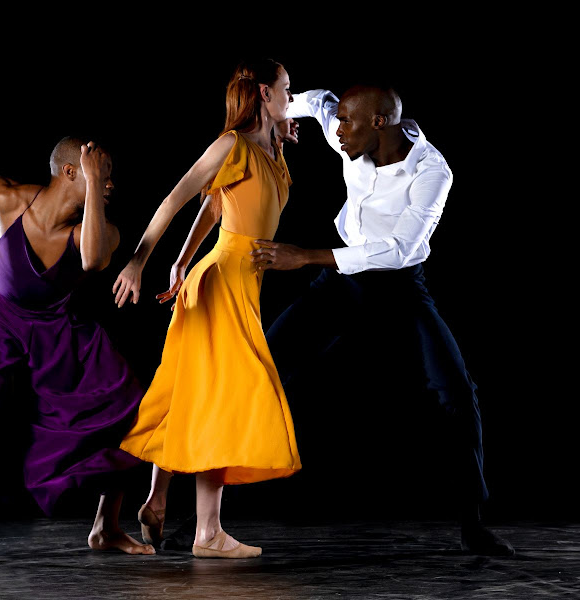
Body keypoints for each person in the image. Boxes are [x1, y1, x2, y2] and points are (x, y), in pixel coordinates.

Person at [250, 85, 514, 556]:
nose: (338, 131)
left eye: (348, 124)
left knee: (456, 391)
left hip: (399, 286)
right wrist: (272, 116)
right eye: (341, 122)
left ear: (379, 123)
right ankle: (202, 511)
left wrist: (306, 256)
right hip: (342, 284)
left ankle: (473, 521)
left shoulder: (432, 170)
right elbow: (317, 102)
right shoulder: (349, 132)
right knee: (260, 368)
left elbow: (401, 250)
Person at [0, 137, 155, 565]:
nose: (109, 185)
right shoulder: (10, 200)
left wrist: (95, 176)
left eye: (109, 177)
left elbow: (94, 261)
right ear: (69, 172)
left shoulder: (98, 231)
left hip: (57, 331)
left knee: (126, 401)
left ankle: (107, 526)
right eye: (101, 174)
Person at [112, 58, 302, 558]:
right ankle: (207, 533)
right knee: (226, 397)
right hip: (223, 283)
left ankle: (155, 501)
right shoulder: (232, 144)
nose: (292, 95)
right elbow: (177, 198)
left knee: (194, 392)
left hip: (236, 281)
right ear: (265, 92)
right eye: (287, 88)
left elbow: (217, 206)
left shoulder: (273, 148)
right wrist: (139, 262)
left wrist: (181, 261)